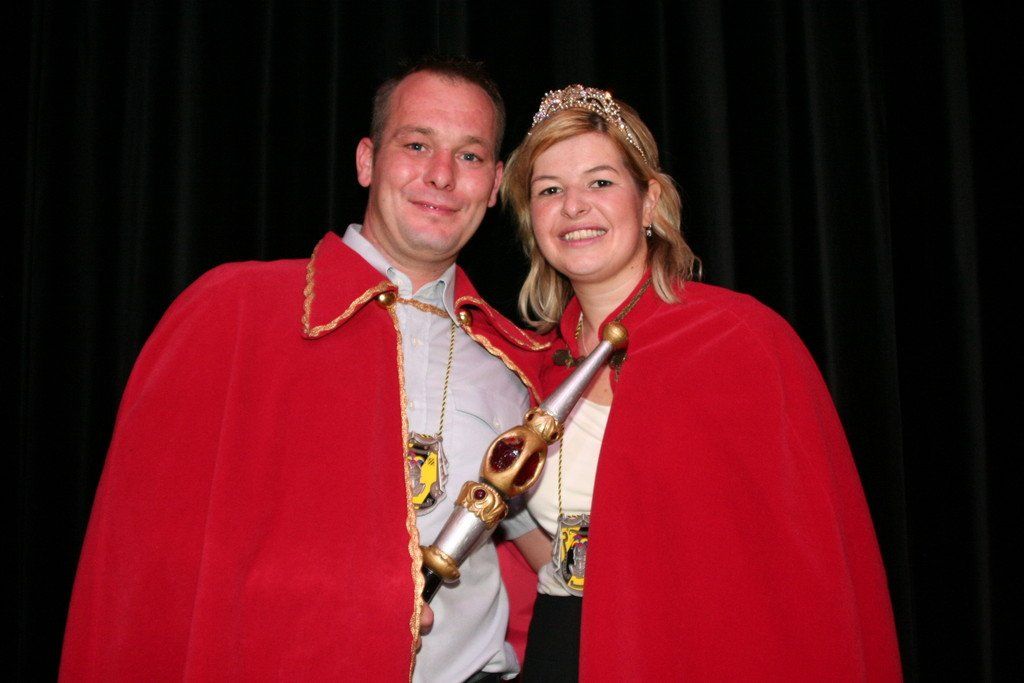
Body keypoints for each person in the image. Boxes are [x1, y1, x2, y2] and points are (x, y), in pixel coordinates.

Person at [60, 58, 549, 682]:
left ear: (496, 182)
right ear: (367, 161)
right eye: (416, 144)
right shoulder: (233, 312)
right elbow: (148, 560)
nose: (442, 174)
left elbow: (556, 555)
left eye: (470, 155)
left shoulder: (514, 364)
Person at [500, 85, 903, 680]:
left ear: (649, 202)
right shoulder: (532, 365)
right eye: (550, 190)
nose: (574, 206)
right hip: (564, 644)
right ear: (531, 218)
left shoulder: (739, 342)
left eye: (600, 182)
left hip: (694, 648)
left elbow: (804, 564)